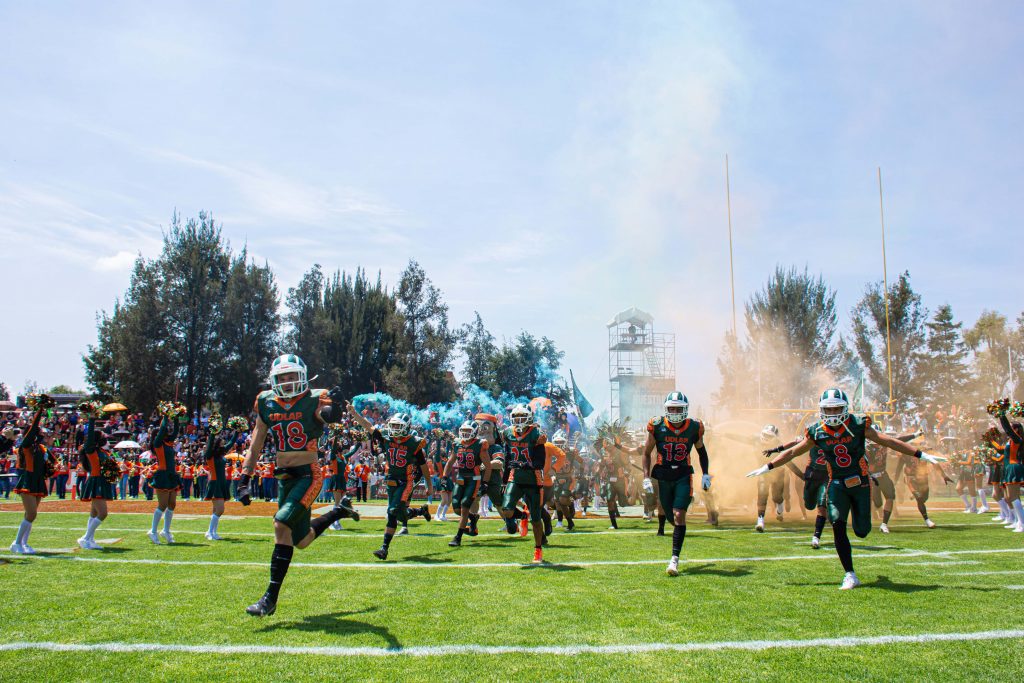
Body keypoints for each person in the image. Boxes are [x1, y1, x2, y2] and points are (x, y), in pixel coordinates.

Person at [748, 388, 946, 589]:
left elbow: (889, 441)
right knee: (837, 524)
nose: (833, 414)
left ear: (845, 408)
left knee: (862, 531)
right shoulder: (817, 431)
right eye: (829, 409)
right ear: (822, 410)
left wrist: (920, 454)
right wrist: (768, 466)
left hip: (859, 483)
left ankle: (855, 553)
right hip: (836, 484)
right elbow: (792, 452)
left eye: (837, 409)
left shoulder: (859, 425)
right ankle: (850, 574)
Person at [239, 354, 351, 617]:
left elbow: (326, 415)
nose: (288, 382)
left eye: (292, 376)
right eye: (283, 378)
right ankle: (338, 511)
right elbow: (256, 442)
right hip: (284, 477)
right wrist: (245, 477)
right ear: (274, 381)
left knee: (281, 523)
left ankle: (269, 599)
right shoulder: (266, 402)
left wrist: (335, 409)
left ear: (302, 377)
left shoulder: (314, 398)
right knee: (300, 540)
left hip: (308, 474)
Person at [642, 392, 711, 577]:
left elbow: (702, 451)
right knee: (671, 518)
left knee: (679, 515)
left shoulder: (694, 427)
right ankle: (686, 503)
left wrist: (705, 474)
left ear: (685, 410)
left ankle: (674, 560)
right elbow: (646, 452)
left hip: (683, 474)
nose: (674, 412)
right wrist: (646, 477)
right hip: (664, 475)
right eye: (671, 408)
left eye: (678, 408)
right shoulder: (657, 425)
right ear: (666, 409)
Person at [348, 407, 432, 558]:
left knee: (392, 512)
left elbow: (424, 466)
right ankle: (420, 511)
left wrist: (429, 484)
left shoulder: (414, 443)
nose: (394, 429)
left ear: (406, 427)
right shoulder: (386, 436)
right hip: (391, 480)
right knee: (398, 514)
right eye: (392, 426)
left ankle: (384, 548)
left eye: (397, 426)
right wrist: (354, 414)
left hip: (405, 481)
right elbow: (368, 426)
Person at [499, 403, 550, 564]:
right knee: (506, 510)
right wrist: (503, 480)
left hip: (533, 479)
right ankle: (522, 516)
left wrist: (524, 465)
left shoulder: (536, 433)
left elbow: (540, 462)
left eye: (522, 417)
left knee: (536, 518)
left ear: (529, 418)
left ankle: (538, 550)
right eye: (516, 417)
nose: (519, 421)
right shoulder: (508, 433)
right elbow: (508, 457)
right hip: (515, 478)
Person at [9, 395, 56, 554]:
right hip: (28, 480)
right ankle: (16, 543)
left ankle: (24, 543)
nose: (43, 433)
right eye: (40, 431)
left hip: (38, 480)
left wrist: (55, 465)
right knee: (31, 513)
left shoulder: (42, 448)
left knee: (31, 515)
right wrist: (41, 410)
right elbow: (33, 428)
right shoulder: (26, 445)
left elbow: (51, 462)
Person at [444, 420, 491, 547]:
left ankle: (458, 537)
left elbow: (488, 466)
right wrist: (444, 477)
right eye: (463, 431)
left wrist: (485, 483)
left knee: (465, 506)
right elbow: (450, 462)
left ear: (475, 432)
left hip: (473, 479)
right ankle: (473, 518)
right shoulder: (457, 443)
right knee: (456, 508)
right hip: (460, 478)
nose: (465, 434)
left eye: (468, 431)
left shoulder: (480, 444)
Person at [77, 412, 115, 550]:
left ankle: (90, 540)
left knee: (93, 513)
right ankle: (85, 537)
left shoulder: (102, 452)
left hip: (101, 481)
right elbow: (90, 437)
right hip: (96, 481)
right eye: (104, 436)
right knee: (103, 513)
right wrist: (92, 419)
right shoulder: (91, 450)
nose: (106, 438)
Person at [148, 409, 182, 544]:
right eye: (164, 431)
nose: (167, 432)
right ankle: (153, 530)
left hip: (172, 475)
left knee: (172, 504)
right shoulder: (157, 444)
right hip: (163, 475)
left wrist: (176, 417)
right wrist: (166, 416)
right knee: (162, 504)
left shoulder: (168, 443)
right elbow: (162, 430)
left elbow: (175, 431)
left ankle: (166, 531)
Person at [996, 412, 1024, 532]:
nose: (1009, 430)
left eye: (1012, 427)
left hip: (1014, 467)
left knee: (1013, 496)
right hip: (1009, 468)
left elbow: (1007, 429)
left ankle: (1022, 524)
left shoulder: (1017, 439)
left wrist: (1001, 414)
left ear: (1016, 429)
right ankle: (1018, 521)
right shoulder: (1011, 440)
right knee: (1009, 497)